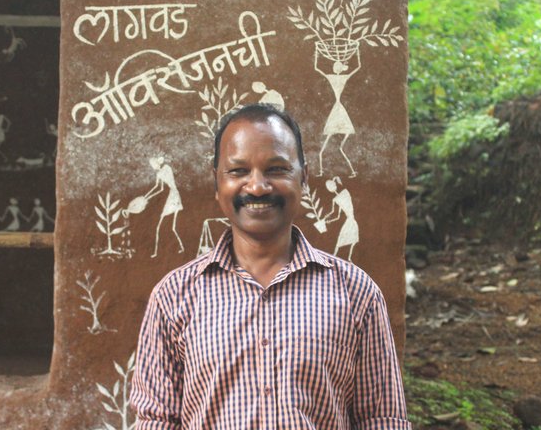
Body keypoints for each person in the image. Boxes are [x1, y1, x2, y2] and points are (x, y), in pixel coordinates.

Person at [131, 103, 410, 429]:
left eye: (276, 169)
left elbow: (382, 419)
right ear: (217, 183)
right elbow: (157, 421)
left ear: (304, 178)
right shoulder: (174, 297)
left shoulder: (355, 293)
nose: (257, 186)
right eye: (238, 171)